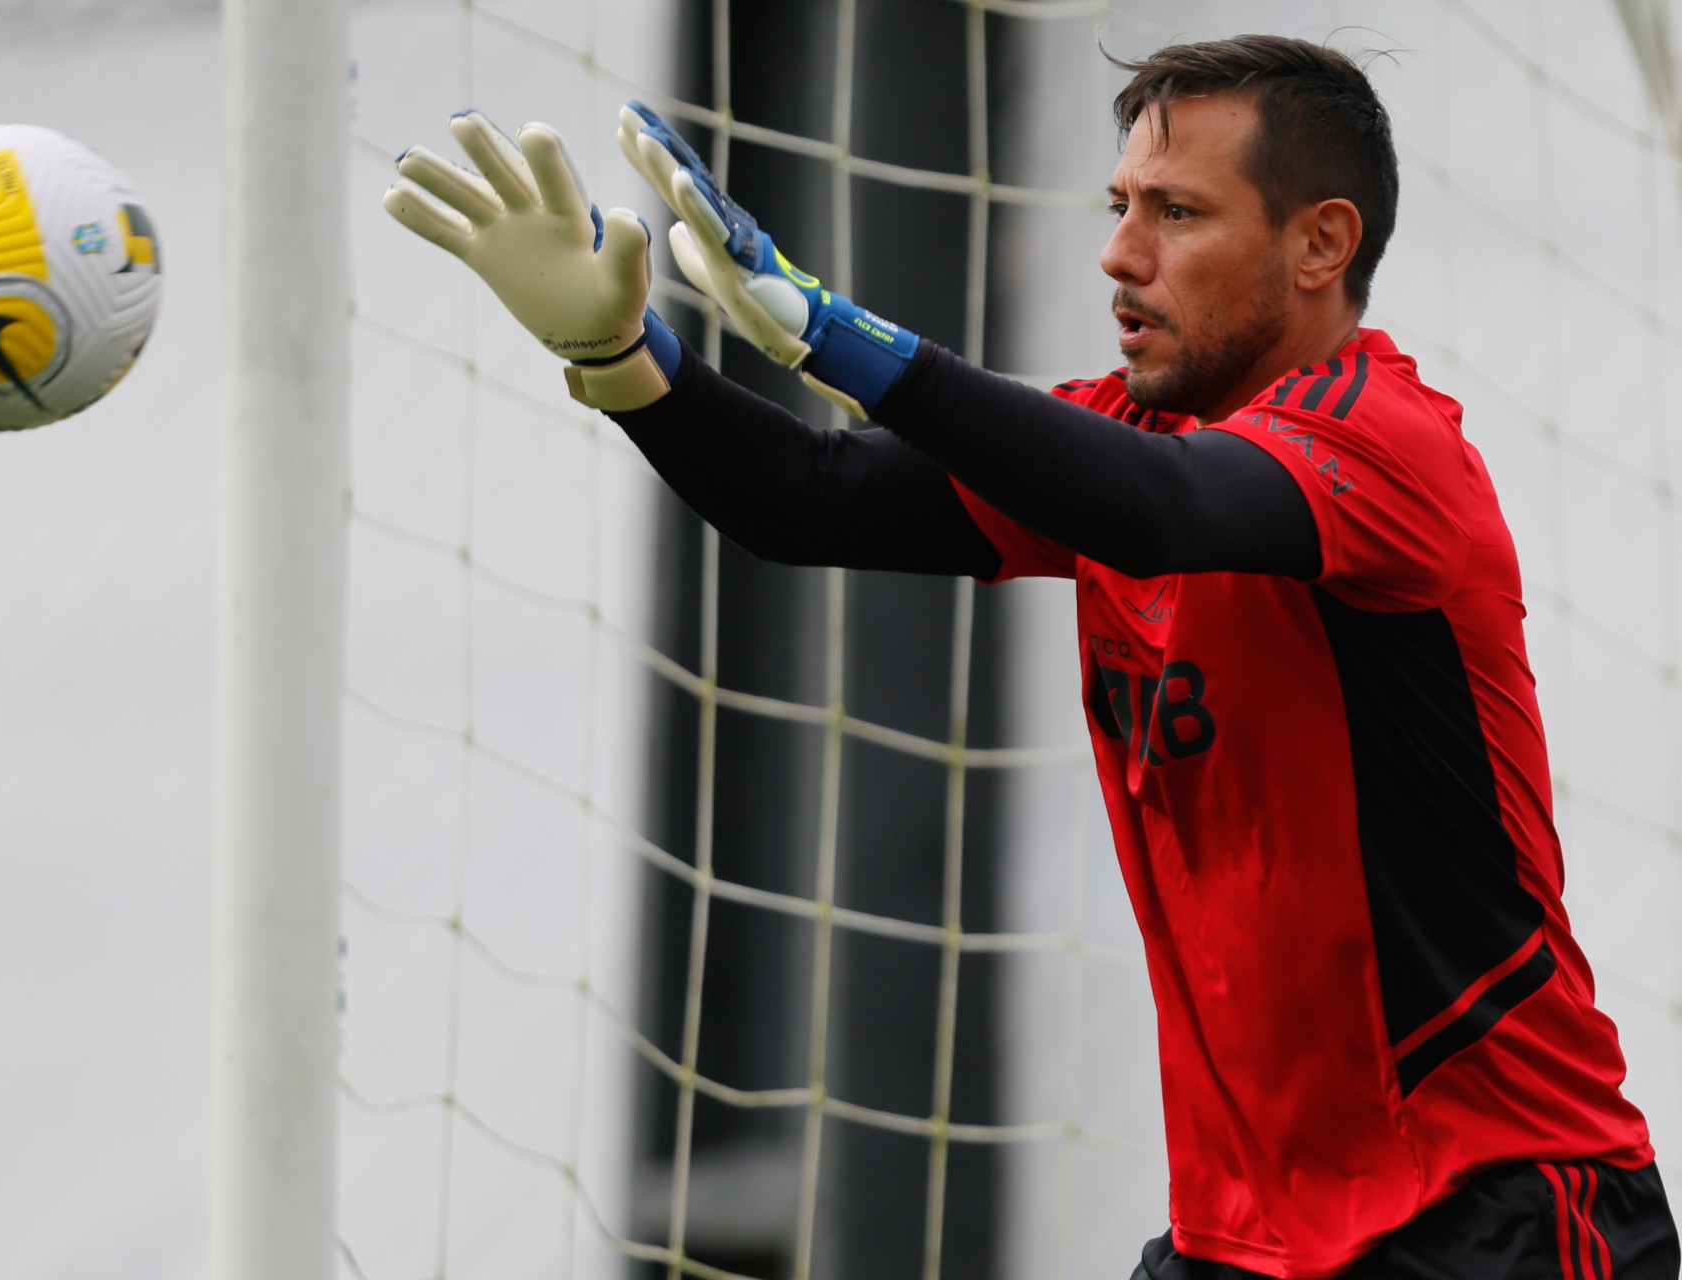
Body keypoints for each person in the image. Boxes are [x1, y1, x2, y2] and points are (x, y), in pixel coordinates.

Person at [384, 33, 1682, 1280]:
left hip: (1496, 1206)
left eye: (1176, 213)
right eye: (1119, 206)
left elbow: (1159, 511)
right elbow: (813, 497)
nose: (1119, 254)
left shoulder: (1388, 447)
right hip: (1243, 1235)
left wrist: (831, 331)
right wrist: (623, 359)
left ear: (1319, 245)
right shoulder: (1122, 442)